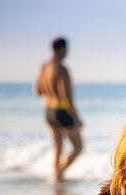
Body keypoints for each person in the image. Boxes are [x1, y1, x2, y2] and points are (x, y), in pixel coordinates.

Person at [35, 37, 83, 180]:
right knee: (78, 147)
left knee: (58, 148)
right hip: (60, 110)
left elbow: (38, 91)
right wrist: (76, 118)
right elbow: (65, 98)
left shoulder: (43, 67)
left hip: (48, 110)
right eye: (66, 49)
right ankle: (59, 173)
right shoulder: (62, 69)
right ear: (62, 49)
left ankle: (56, 179)